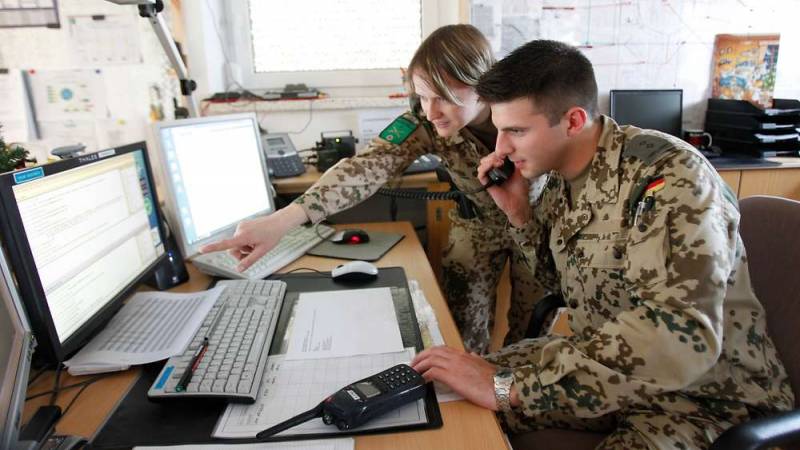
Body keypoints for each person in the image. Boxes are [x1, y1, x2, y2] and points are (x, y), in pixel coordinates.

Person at [411, 39, 794, 448]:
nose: (500, 148)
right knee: (448, 391)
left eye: (516, 131)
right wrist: (520, 214)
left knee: (489, 392)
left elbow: (679, 339)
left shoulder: (670, 179)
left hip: (703, 399)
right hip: (607, 367)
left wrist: (511, 388)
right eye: (500, 129)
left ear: (573, 120)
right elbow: (557, 284)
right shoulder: (563, 174)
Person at [200, 25, 556, 354]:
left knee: (532, 331)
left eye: (443, 97)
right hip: (477, 226)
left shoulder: (530, 110)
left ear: (482, 82)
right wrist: (283, 220)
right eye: (423, 96)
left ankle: (512, 409)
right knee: (457, 332)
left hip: (537, 227)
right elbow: (367, 166)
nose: (431, 112)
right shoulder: (425, 120)